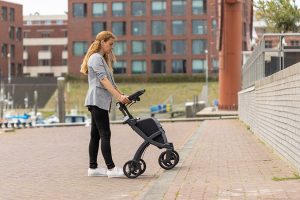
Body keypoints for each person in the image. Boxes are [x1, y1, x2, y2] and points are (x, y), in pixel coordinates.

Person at [80, 31, 130, 178]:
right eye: (110, 44)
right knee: (105, 134)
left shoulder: (101, 58)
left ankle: (93, 168)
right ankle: (111, 169)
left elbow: (112, 83)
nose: (112, 47)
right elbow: (104, 81)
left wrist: (122, 95)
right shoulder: (96, 58)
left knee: (95, 135)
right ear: (102, 42)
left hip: (98, 101)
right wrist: (119, 97)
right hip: (97, 101)